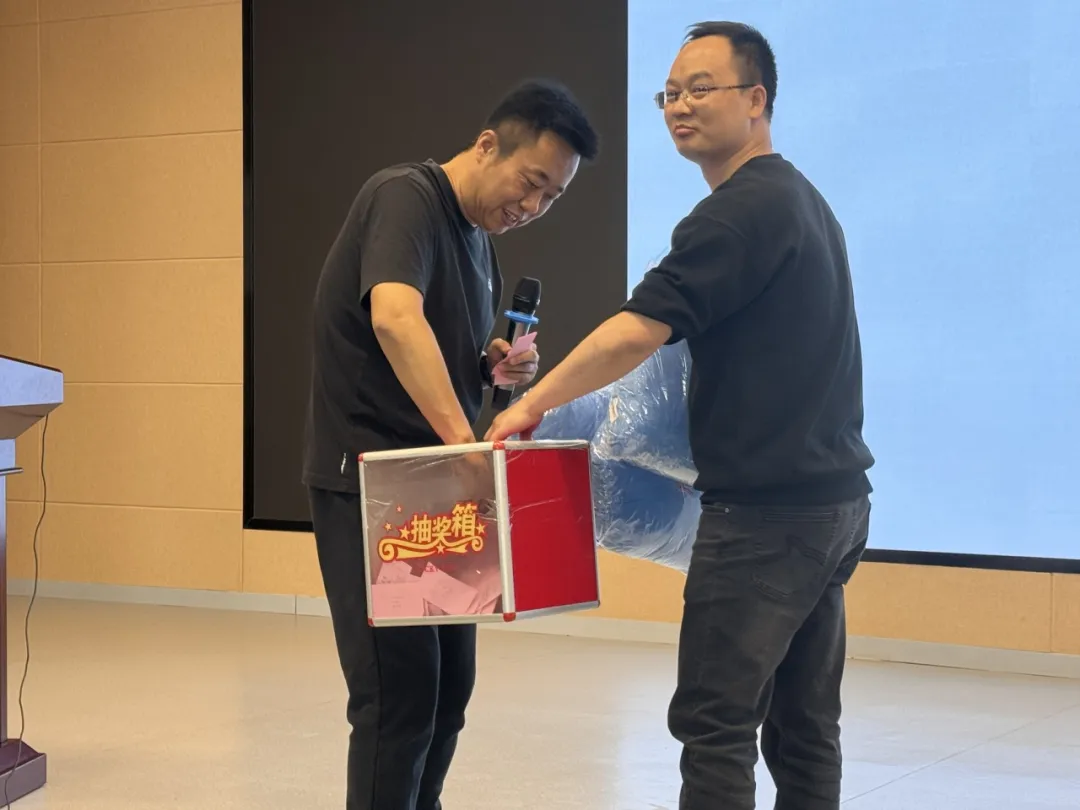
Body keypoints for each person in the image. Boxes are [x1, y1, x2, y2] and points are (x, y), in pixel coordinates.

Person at [487, 22, 874, 810]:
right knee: (803, 727)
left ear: (756, 99)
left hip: (765, 520)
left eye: (701, 89)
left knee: (714, 724)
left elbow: (634, 332)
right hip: (831, 508)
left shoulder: (738, 212)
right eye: (668, 94)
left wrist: (530, 404)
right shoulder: (802, 200)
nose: (678, 107)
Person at [302, 79, 599, 810]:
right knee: (397, 694)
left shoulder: (480, 245)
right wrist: (466, 443)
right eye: (531, 181)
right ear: (488, 145)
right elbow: (396, 319)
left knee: (447, 691)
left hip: (437, 487)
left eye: (553, 197)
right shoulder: (405, 197)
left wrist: (494, 365)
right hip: (374, 485)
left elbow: (441, 351)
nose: (533, 206)